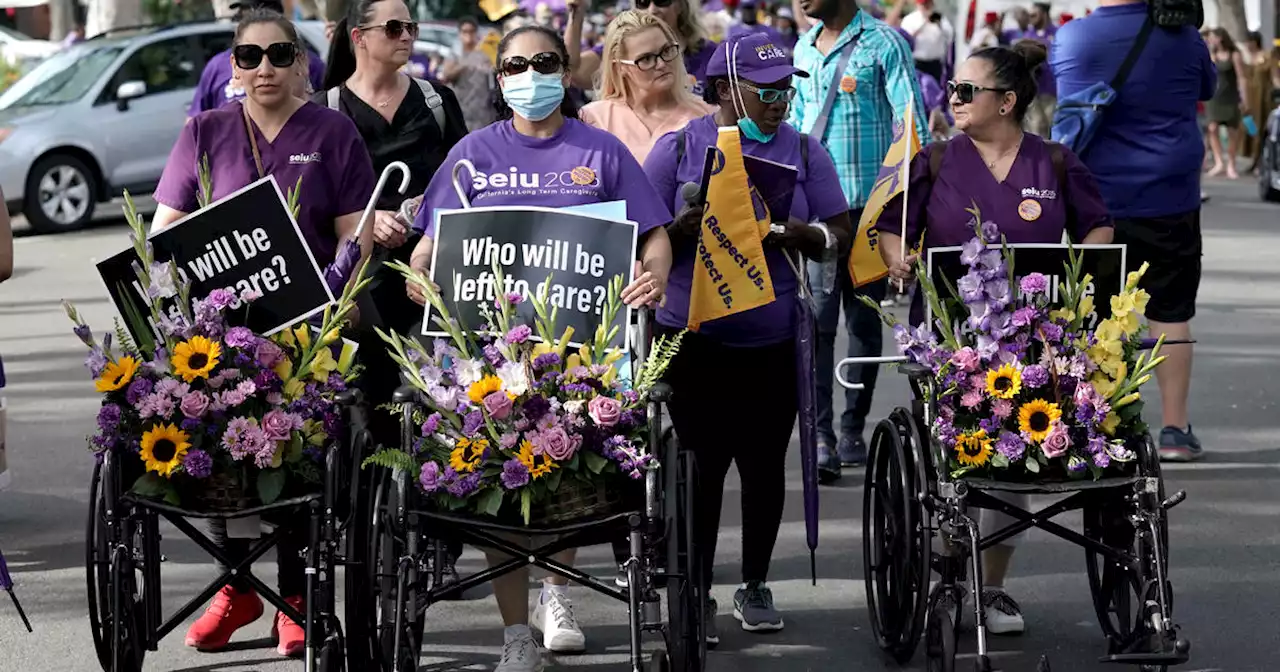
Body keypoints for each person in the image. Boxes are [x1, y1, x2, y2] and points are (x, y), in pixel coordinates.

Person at [404, 25, 673, 671]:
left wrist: (655, 273)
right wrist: (420, 268)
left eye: (545, 62)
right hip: (489, 354)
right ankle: (514, 631)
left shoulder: (601, 151)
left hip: (579, 350)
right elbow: (429, 240)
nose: (532, 74)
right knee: (505, 475)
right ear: (501, 80)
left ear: (566, 70)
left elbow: (654, 236)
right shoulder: (471, 154)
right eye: (517, 65)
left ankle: (557, 592)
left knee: (565, 459)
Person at [151, 9, 377, 656]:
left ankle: (295, 596)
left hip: (307, 329)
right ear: (233, 66)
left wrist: (341, 301)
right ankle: (237, 587)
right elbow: (164, 231)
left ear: (301, 62)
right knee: (213, 437)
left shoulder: (333, 133)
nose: (265, 69)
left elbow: (352, 236)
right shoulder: (205, 131)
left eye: (280, 55)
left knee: (296, 447)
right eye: (250, 58)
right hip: (224, 336)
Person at [877, 42, 1114, 634]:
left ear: (1006, 102)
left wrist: (1090, 264)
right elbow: (889, 227)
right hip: (950, 342)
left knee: (1015, 460)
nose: (951, 99)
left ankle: (992, 589)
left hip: (1033, 343)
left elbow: (1099, 225)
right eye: (951, 90)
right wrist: (898, 260)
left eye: (965, 91)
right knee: (952, 463)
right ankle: (948, 575)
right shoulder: (932, 160)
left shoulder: (1055, 163)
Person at [643, 31, 851, 641]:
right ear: (722, 91)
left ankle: (754, 583)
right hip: (693, 339)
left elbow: (839, 230)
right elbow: (642, 240)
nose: (778, 101)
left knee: (763, 470)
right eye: (765, 90)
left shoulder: (806, 152)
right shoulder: (678, 148)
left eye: (787, 88)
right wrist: (682, 228)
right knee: (699, 474)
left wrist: (798, 234)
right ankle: (695, 589)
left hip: (773, 342)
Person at [317, 0, 470, 586]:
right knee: (375, 399)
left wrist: (423, 221)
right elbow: (319, 196)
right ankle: (381, 526)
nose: (408, 35)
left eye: (411, 26)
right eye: (395, 27)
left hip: (434, 268)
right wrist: (368, 217)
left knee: (445, 397)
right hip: (363, 274)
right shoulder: (329, 108)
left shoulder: (435, 100)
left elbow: (466, 176)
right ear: (360, 37)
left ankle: (444, 535)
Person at [1051, 0, 1215, 462]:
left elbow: (1065, 99)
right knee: (1171, 308)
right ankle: (1174, 430)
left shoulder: (1072, 37)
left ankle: (1101, 426)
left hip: (1095, 197)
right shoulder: (1185, 37)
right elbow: (1207, 85)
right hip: (1170, 195)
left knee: (1099, 312)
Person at [789, 0, 929, 481]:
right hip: (818, 216)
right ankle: (822, 435)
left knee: (865, 324)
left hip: (871, 211)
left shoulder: (883, 43)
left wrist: (913, 204)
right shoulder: (802, 50)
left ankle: (853, 428)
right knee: (818, 325)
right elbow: (793, 127)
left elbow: (911, 125)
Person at [579, 10, 714, 165]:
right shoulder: (593, 119)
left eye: (666, 50)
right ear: (620, 67)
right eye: (646, 59)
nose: (662, 64)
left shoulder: (707, 115)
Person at [189, 0, 327, 116]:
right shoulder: (217, 65)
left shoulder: (308, 62)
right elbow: (194, 122)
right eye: (241, 13)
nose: (264, 71)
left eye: (252, 12)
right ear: (234, 66)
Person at [565, 0, 717, 98]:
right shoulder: (622, 50)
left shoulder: (711, 54)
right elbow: (574, 72)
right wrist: (576, 14)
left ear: (680, 5)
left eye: (662, 1)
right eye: (643, 2)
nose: (652, 9)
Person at [437, 16, 498, 131]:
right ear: (460, 33)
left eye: (472, 31)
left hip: (483, 110)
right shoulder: (455, 55)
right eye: (465, 31)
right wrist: (463, 65)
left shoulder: (485, 54)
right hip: (462, 109)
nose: (468, 35)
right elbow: (446, 76)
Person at [1202, 28, 1248, 179]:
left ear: (1221, 38)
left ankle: (1231, 164)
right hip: (1215, 97)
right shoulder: (1212, 55)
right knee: (1212, 128)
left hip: (1231, 97)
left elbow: (1242, 77)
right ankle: (1219, 161)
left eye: (1214, 37)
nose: (1211, 40)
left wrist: (1244, 97)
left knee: (1232, 131)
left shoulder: (1234, 55)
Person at [1006, 2, 1057, 137]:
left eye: (1034, 15)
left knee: (1050, 127)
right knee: (1036, 126)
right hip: (1032, 90)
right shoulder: (1028, 35)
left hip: (1050, 89)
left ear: (1044, 14)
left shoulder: (1057, 33)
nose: (1031, 18)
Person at [1242, 31, 1275, 175]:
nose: (1248, 45)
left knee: (1261, 129)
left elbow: (1274, 77)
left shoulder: (1267, 57)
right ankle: (1254, 159)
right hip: (1249, 99)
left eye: (1250, 42)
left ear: (1256, 42)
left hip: (1263, 99)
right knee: (1250, 128)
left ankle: (1260, 161)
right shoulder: (1248, 58)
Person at [899, 0, 953, 81]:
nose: (926, 6)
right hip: (917, 63)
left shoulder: (939, 18)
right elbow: (907, 38)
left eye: (928, 4)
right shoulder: (910, 19)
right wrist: (924, 22)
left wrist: (939, 24)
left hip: (935, 63)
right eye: (923, 4)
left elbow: (949, 36)